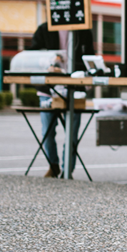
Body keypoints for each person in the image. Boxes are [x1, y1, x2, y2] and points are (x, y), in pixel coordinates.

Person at [29, 23, 95, 179]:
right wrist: (48, 61)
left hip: (75, 87)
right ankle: (53, 166)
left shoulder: (82, 31)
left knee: (71, 133)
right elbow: (33, 54)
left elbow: (90, 56)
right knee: (47, 131)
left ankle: (68, 170)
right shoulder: (44, 29)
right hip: (47, 88)